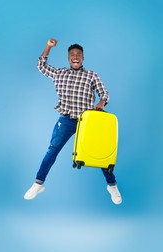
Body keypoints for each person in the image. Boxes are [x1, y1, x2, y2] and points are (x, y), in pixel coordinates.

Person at [24, 38, 122, 204]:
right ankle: (38, 183)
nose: (75, 56)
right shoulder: (60, 73)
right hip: (67, 119)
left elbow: (104, 94)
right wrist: (48, 46)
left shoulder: (92, 75)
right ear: (68, 58)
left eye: (78, 54)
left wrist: (100, 103)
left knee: (100, 151)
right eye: (72, 54)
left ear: (83, 58)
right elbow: (41, 65)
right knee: (53, 149)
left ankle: (111, 185)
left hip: (88, 121)